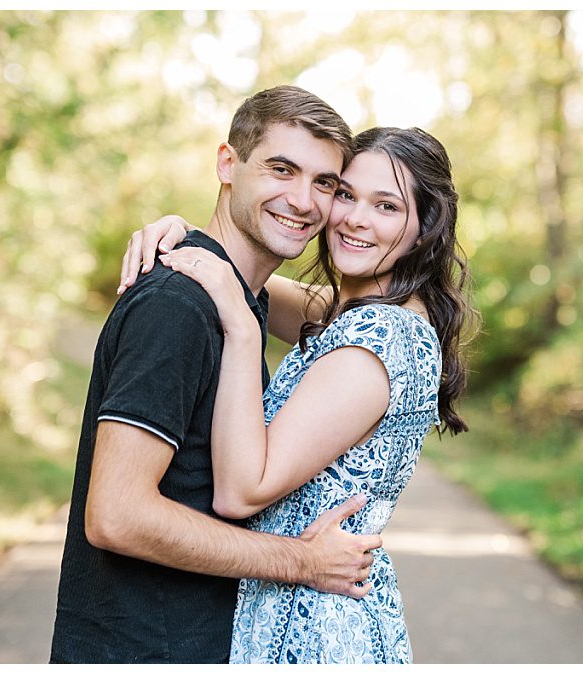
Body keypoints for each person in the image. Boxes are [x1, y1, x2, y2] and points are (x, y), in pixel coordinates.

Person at [50, 86, 385, 665]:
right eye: (282, 169)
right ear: (228, 164)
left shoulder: (237, 301)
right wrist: (302, 561)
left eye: (324, 183)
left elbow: (369, 322)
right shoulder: (178, 307)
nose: (303, 201)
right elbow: (116, 515)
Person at [118, 126, 473, 663]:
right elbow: (245, 276)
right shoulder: (358, 315)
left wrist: (241, 329)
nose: (355, 218)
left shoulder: (376, 341)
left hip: (315, 631)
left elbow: (241, 491)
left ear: (424, 230)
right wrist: (186, 236)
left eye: (387, 206)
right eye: (346, 194)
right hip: (300, 612)